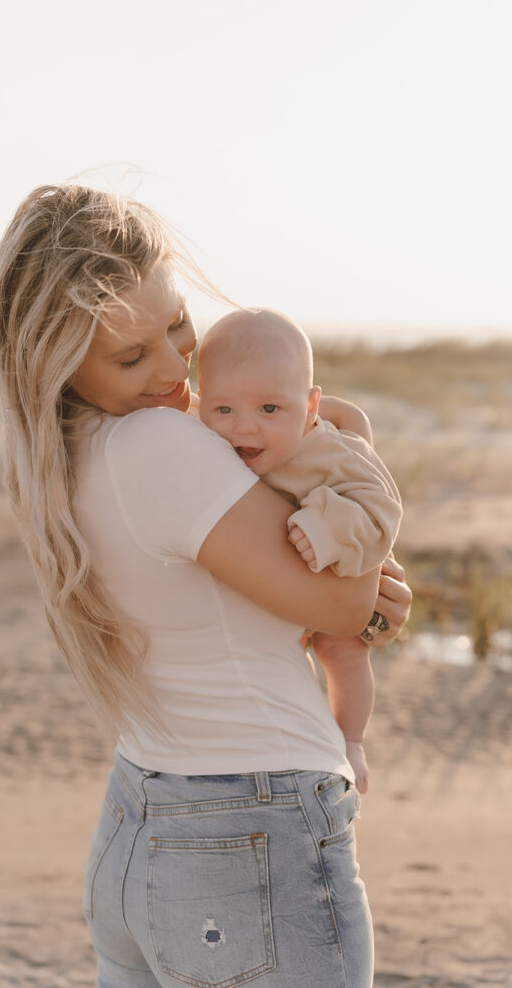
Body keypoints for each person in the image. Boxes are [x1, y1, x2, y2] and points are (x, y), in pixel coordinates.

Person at [0, 183, 412, 988]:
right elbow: (345, 602)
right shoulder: (161, 448)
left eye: (176, 325)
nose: (173, 364)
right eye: (129, 355)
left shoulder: (75, 455)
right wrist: (367, 584)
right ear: (58, 360)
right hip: (247, 826)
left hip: (144, 817)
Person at [196, 308, 402, 793]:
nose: (245, 429)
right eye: (224, 411)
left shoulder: (332, 453)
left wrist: (326, 526)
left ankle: (351, 740)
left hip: (338, 568)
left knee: (344, 654)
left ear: (310, 409)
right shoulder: (197, 438)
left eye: (270, 410)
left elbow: (382, 512)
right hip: (276, 594)